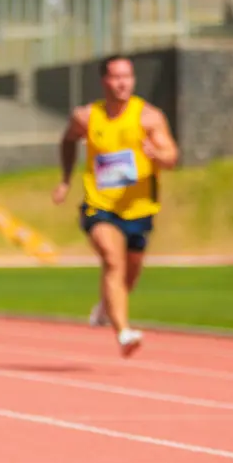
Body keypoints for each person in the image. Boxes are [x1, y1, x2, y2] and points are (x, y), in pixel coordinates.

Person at [51, 55, 179, 357]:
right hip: (99, 205)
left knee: (129, 274)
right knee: (112, 260)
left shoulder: (148, 117)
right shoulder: (86, 117)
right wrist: (66, 179)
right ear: (104, 81)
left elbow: (172, 156)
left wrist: (157, 155)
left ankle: (106, 307)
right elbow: (68, 140)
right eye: (116, 77)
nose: (123, 83)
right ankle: (124, 333)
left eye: (128, 77)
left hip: (139, 208)